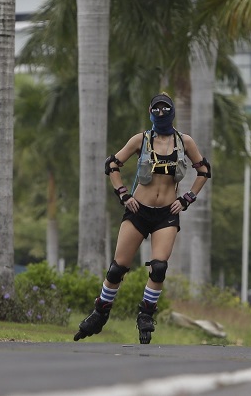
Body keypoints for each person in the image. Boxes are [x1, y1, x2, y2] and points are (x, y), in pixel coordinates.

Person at [74, 92, 211, 344]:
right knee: (117, 268)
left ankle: (146, 314)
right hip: (139, 211)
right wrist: (124, 195)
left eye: (165, 109)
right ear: (150, 111)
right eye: (156, 109)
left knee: (159, 267)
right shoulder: (142, 139)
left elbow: (203, 170)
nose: (161, 113)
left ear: (172, 112)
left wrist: (186, 199)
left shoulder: (184, 142)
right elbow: (112, 165)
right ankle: (100, 312)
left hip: (166, 214)